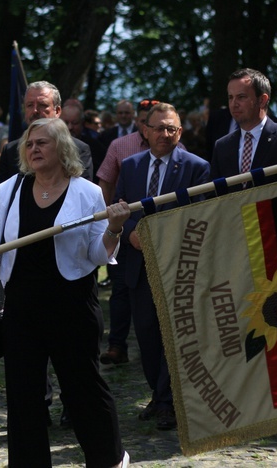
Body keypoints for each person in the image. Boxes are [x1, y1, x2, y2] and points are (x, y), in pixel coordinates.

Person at [0, 117, 131, 468]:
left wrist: (115, 230)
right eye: (29, 145)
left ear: (62, 148)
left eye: (42, 143)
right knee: (23, 396)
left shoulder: (87, 192)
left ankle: (109, 459)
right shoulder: (10, 189)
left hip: (73, 306)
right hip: (21, 309)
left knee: (82, 391)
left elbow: (97, 255)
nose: (33, 149)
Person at [115, 102, 210, 431]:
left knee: (175, 334)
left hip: (178, 265)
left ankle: (170, 402)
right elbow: (121, 211)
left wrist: (163, 239)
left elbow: (199, 216)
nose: (165, 134)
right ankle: (159, 395)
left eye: (172, 128)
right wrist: (130, 235)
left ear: (179, 133)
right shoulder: (130, 167)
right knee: (147, 336)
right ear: (145, 130)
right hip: (139, 265)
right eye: (158, 127)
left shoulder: (197, 167)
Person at [96, 98, 160, 365]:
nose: (151, 129)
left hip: (162, 235)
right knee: (121, 289)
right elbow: (106, 186)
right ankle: (117, 345)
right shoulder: (120, 146)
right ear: (139, 123)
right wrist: (111, 225)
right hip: (125, 231)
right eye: (146, 123)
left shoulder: (174, 148)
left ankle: (162, 349)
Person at [210, 68, 277, 189]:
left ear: (262, 100)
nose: (234, 104)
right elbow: (214, 196)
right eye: (230, 97)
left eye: (241, 97)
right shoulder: (222, 146)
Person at [0, 81, 93, 182]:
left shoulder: (79, 149)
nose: (35, 110)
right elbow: (2, 196)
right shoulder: (10, 150)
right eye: (29, 105)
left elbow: (82, 194)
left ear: (58, 111)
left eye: (42, 105)